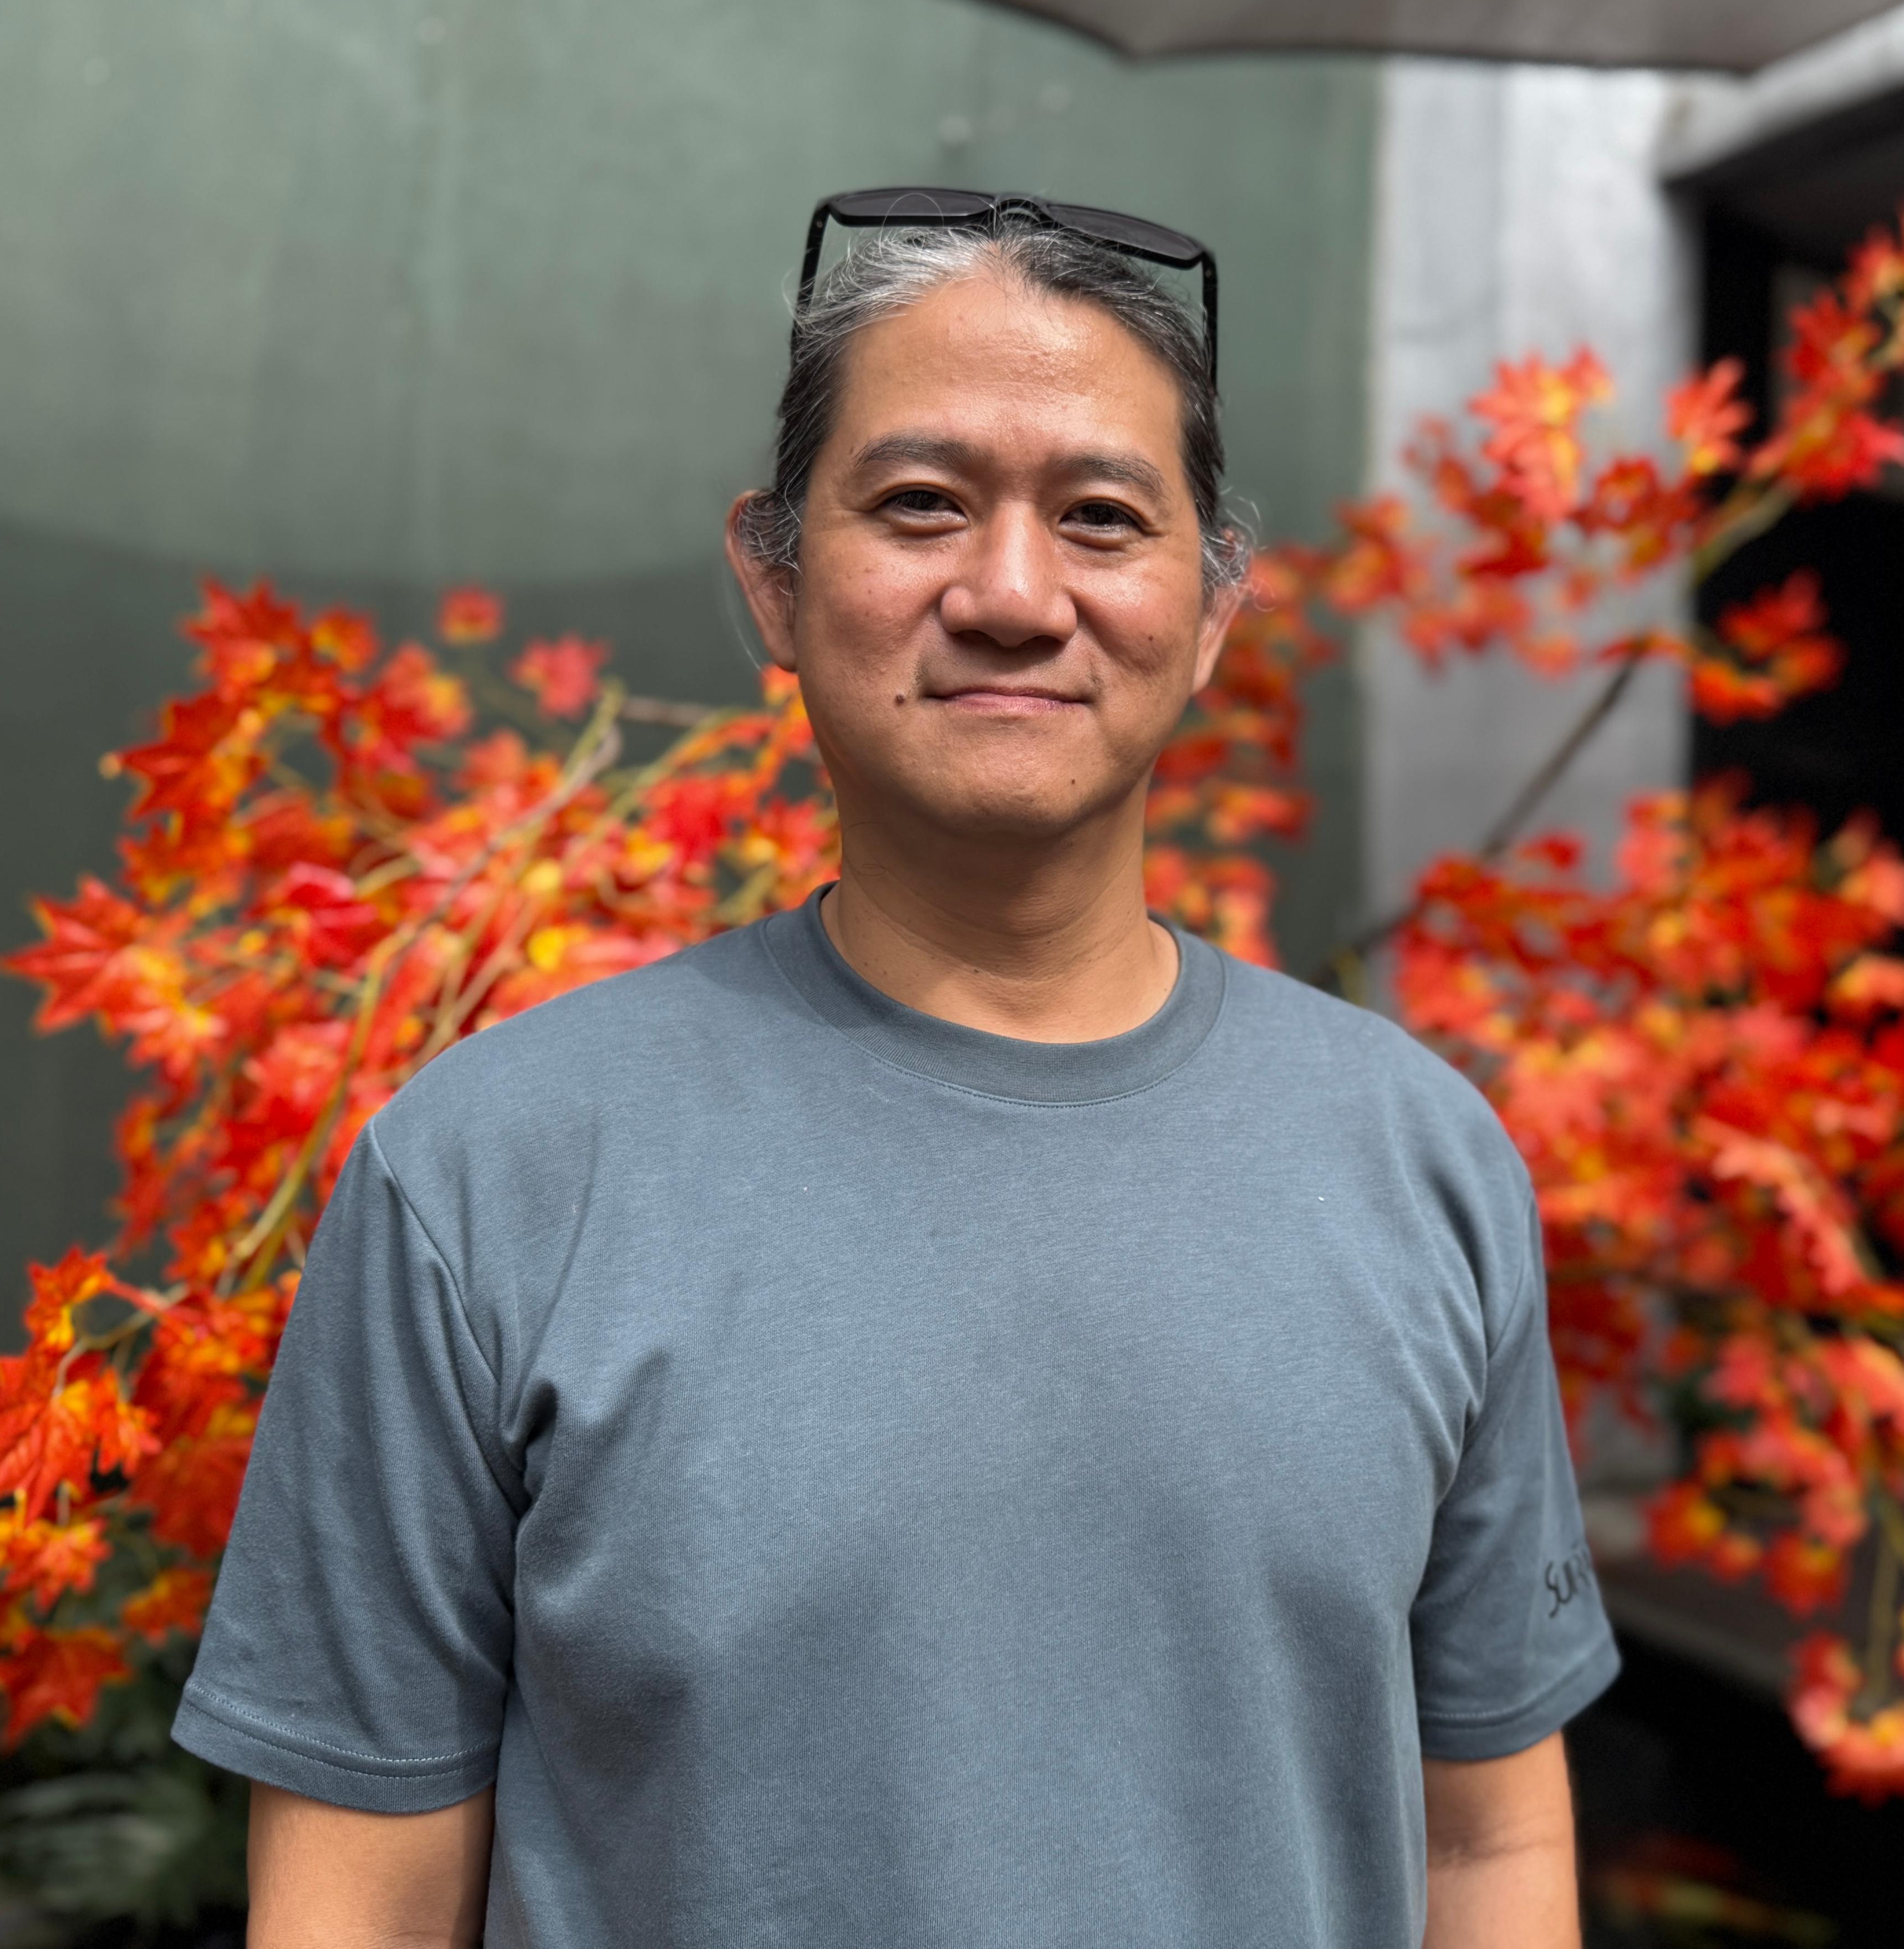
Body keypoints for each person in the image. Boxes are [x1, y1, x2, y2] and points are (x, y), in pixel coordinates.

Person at [172, 195, 1618, 1948]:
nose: (1012, 597)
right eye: (920, 505)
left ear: (1215, 606)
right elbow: (360, 1902)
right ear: (774, 580)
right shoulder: (483, 1178)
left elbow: (1484, 1845)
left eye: (1102, 519)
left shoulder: (1420, 1163)